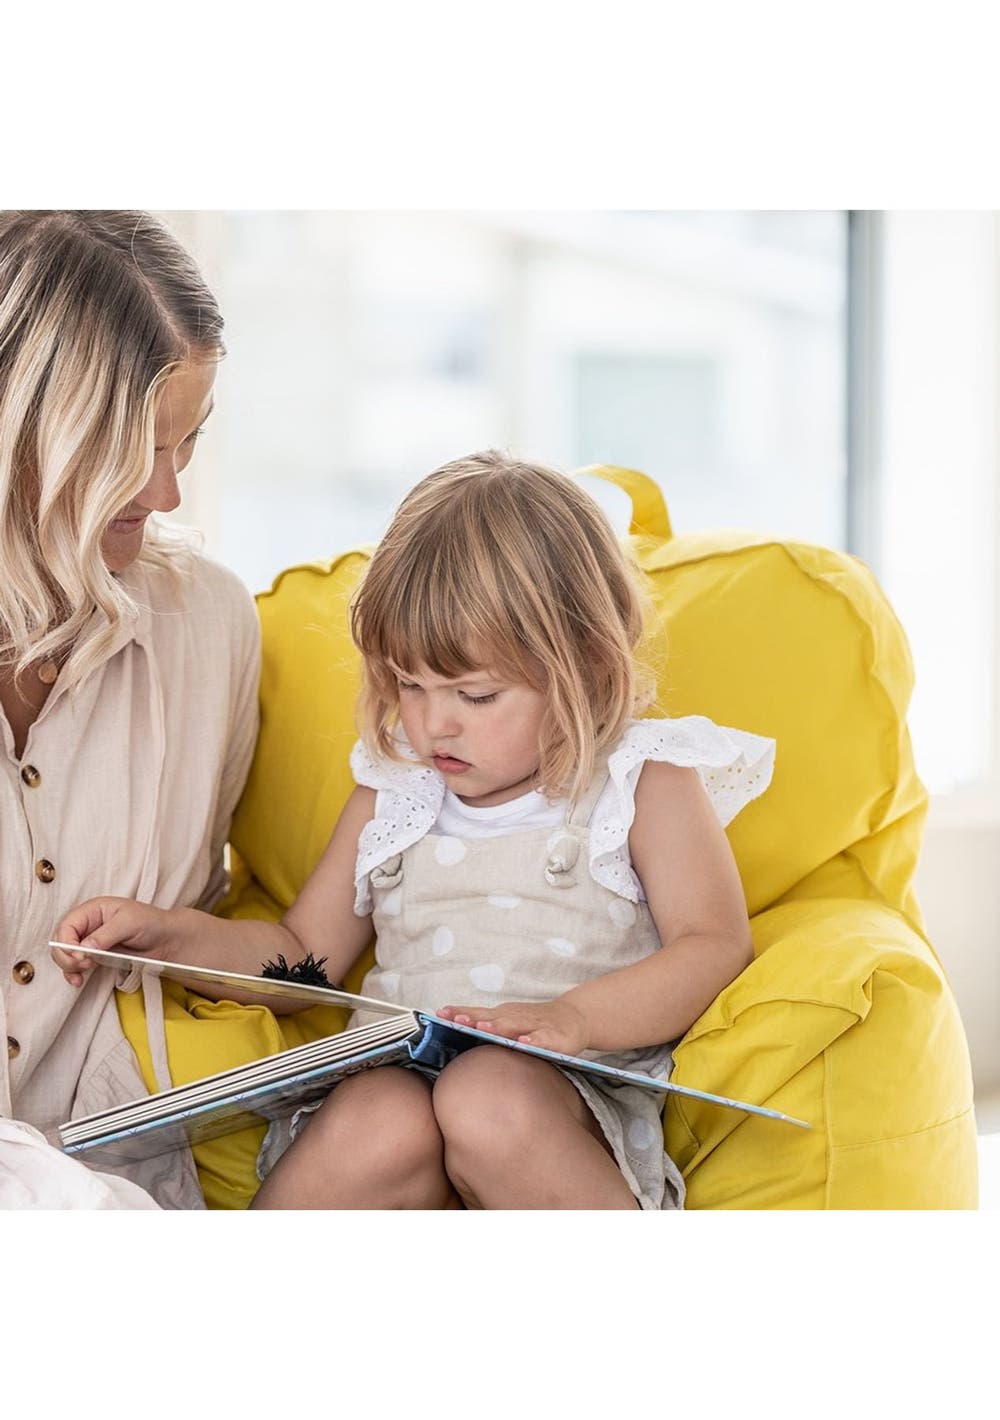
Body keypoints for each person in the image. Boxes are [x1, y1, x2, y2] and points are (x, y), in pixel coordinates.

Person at [55, 451, 775, 1210]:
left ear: (589, 667)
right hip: (400, 1093)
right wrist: (171, 938)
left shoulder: (640, 779)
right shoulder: (396, 791)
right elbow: (304, 961)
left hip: (560, 1106)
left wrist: (574, 1017)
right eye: (409, 684)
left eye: (476, 695)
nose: (433, 724)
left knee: (486, 1094)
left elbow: (711, 943)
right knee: (380, 1116)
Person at [0, 210, 260, 1209]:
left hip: (115, 1181)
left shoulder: (208, 626)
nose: (166, 493)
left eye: (187, 443)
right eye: (132, 447)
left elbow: (217, 924)